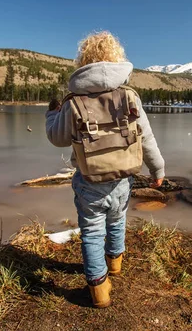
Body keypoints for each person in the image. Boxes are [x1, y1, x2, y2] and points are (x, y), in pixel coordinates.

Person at [45, 31, 165, 308]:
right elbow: (147, 139)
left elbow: (58, 139)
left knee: (92, 232)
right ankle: (115, 265)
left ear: (83, 62)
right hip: (123, 179)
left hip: (89, 182)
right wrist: (158, 169)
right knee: (117, 222)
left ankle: (99, 290)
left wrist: (52, 114)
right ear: (116, 59)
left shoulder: (73, 102)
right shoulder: (129, 96)